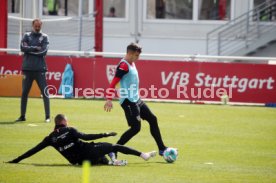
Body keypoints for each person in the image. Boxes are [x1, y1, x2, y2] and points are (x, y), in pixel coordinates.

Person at [8, 114, 156, 166]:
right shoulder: (70, 129)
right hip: (88, 152)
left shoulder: (50, 138)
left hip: (79, 162)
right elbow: (86, 137)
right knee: (115, 146)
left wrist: (16, 160)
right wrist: (105, 133)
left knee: (103, 159)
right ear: (64, 122)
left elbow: (33, 150)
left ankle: (111, 162)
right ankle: (144, 155)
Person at [104, 43, 169, 157]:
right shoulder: (123, 66)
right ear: (129, 53)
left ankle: (162, 148)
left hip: (136, 99)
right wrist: (109, 99)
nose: (138, 58)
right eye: (136, 55)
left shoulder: (132, 63)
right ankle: (114, 149)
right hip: (128, 101)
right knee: (135, 128)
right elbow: (113, 83)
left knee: (153, 119)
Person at [16, 19, 50, 123]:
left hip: (40, 70)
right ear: (32, 25)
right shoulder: (26, 35)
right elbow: (22, 48)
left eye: (39, 26)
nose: (37, 27)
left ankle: (47, 117)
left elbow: (43, 51)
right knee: (24, 93)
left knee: (45, 93)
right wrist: (35, 48)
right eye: (36, 25)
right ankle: (22, 116)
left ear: (41, 26)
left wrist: (29, 50)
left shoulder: (44, 37)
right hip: (27, 69)